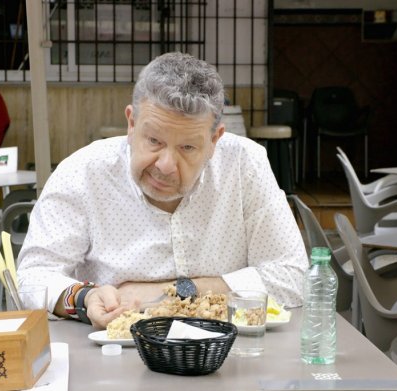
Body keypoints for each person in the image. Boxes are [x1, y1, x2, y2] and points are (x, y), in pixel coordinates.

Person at [17, 52, 307, 329]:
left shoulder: (244, 164)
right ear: (131, 123)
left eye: (188, 147)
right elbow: (33, 277)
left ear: (215, 139)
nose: (166, 165)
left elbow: (292, 277)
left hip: (228, 356)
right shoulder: (83, 172)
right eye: (154, 140)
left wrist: (173, 292)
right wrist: (85, 297)